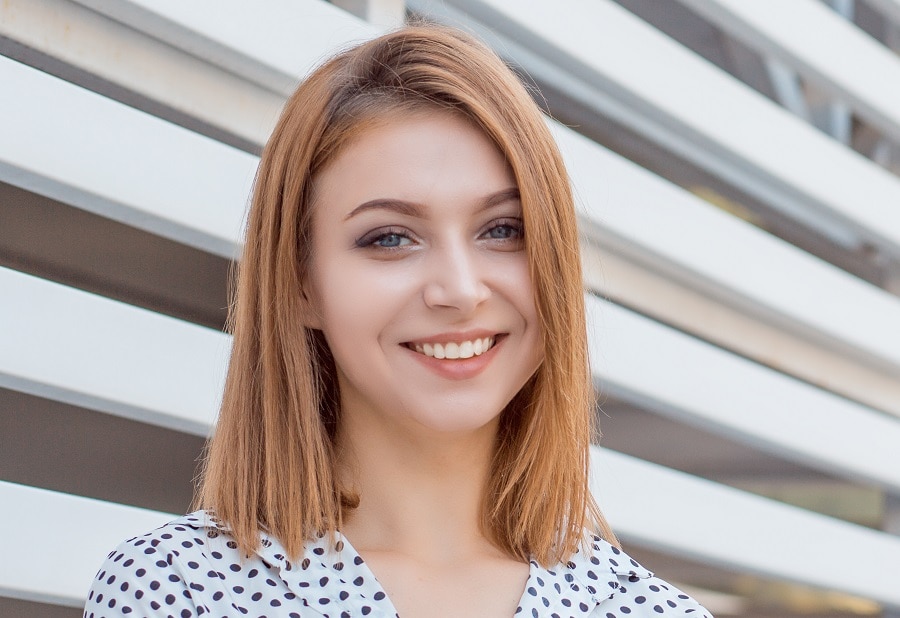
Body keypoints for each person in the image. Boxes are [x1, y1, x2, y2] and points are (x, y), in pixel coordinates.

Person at [84, 24, 712, 618]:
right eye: (389, 238)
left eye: (503, 229)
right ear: (300, 283)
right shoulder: (179, 590)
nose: (461, 291)